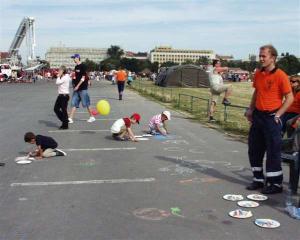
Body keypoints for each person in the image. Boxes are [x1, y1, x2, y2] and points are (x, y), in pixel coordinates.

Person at [245, 44, 294, 194]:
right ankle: (258, 179)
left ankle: (275, 184)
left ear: (273, 58)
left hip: (272, 117)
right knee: (254, 149)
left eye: (263, 56)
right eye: (259, 56)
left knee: (273, 151)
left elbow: (290, 98)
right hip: (258, 116)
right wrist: (251, 109)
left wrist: (279, 114)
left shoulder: (281, 75)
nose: (260, 59)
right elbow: (257, 92)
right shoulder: (259, 74)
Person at [68, 54, 95, 123]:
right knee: (74, 103)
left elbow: (84, 77)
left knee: (86, 103)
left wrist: (78, 85)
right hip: (77, 88)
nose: (73, 59)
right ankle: (70, 118)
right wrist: (74, 83)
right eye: (73, 58)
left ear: (77, 58)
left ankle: (92, 117)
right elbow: (77, 76)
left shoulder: (83, 66)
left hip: (82, 88)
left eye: (74, 58)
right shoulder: (76, 66)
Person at [54, 65, 70, 129]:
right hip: (60, 95)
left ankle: (65, 125)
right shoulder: (63, 76)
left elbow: (57, 83)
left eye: (60, 70)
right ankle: (65, 120)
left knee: (64, 110)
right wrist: (59, 76)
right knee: (56, 109)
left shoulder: (65, 77)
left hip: (64, 96)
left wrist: (58, 76)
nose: (58, 71)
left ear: (63, 71)